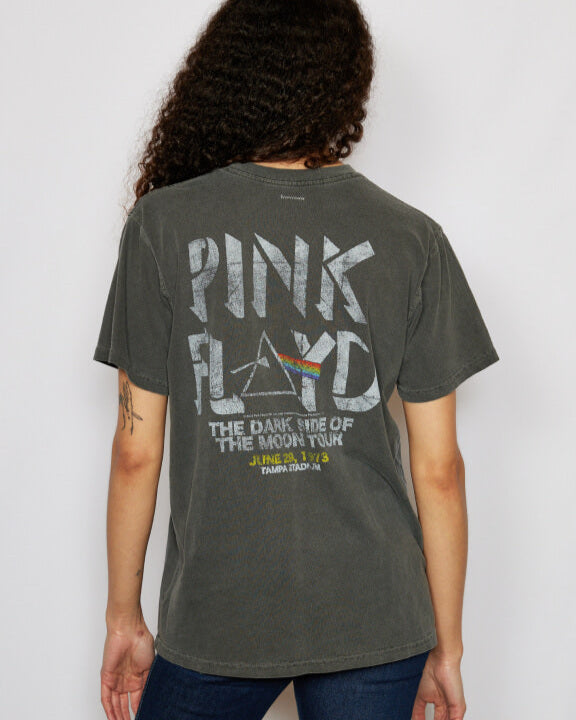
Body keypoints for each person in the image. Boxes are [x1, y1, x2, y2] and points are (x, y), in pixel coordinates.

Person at [92, 1, 499, 718]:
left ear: (229, 75)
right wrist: (447, 647)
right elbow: (439, 469)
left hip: (218, 609)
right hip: (377, 614)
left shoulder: (162, 226)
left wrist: (123, 618)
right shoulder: (412, 238)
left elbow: (135, 452)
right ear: (348, 85)